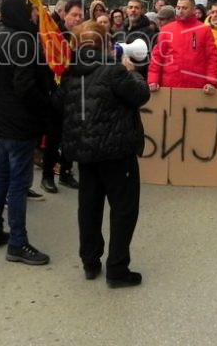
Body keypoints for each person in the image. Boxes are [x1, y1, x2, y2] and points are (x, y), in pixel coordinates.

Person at [59, 20, 150, 287]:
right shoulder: (114, 71)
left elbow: (59, 104)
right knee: (123, 209)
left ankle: (90, 262)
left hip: (85, 152)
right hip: (116, 151)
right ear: (104, 44)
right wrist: (132, 71)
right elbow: (141, 96)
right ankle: (117, 269)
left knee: (89, 206)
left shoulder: (70, 72)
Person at [0, 0, 54, 265]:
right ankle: (17, 242)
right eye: (32, 9)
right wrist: (46, 107)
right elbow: (24, 85)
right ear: (21, 11)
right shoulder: (25, 39)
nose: (36, 14)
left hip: (2, 119)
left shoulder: (0, 35)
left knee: (1, 175)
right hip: (19, 122)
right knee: (18, 183)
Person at [41, 0, 82, 193]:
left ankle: (66, 173)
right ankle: (48, 175)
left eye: (80, 15)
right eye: (74, 15)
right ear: (64, 14)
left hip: (76, 93)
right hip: (57, 93)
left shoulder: (84, 36)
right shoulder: (55, 35)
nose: (77, 19)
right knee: (53, 138)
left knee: (71, 137)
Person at [148, 0, 217, 93]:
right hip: (170, 85)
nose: (180, 11)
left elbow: (212, 57)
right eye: (178, 8)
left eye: (185, 8)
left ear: (193, 10)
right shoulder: (166, 30)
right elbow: (157, 56)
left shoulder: (204, 30)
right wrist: (153, 80)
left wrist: (210, 81)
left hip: (197, 86)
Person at [121, 0, 157, 79]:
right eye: (130, 7)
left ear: (141, 11)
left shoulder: (149, 33)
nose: (133, 10)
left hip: (139, 78)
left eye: (136, 8)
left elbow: (151, 57)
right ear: (126, 10)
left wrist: (135, 67)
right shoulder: (120, 31)